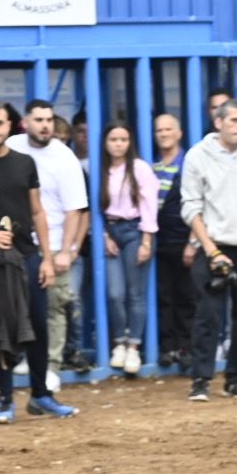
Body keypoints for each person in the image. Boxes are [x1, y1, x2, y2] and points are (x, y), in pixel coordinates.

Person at [0, 101, 77, 422]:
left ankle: (41, 396)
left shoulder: (24, 163)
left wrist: (47, 258)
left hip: (29, 256)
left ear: (10, 126)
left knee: (38, 326)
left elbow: (37, 212)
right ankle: (5, 400)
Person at [182, 100, 237, 402]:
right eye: (234, 120)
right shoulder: (198, 157)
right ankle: (200, 379)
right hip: (213, 245)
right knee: (208, 315)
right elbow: (190, 207)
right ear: (218, 122)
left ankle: (235, 378)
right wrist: (210, 249)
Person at [8, 99, 90, 387]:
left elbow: (75, 209)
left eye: (49, 120)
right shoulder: (13, 146)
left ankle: (51, 366)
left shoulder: (64, 157)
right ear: (26, 122)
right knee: (19, 305)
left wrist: (67, 251)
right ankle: (25, 359)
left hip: (54, 242)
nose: (45, 125)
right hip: (17, 243)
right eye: (39, 120)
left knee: (54, 306)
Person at [96, 121, 158, 376]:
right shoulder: (100, 169)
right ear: (105, 142)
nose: (118, 144)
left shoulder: (140, 168)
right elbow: (93, 207)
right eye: (113, 139)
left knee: (136, 293)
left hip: (135, 230)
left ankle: (133, 346)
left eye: (123, 139)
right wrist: (102, 235)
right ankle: (119, 341)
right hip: (110, 231)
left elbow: (149, 205)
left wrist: (146, 241)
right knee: (115, 294)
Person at [150, 113, 195, 370]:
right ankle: (167, 348)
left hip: (184, 240)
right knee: (164, 296)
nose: (164, 134)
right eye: (159, 130)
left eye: (169, 129)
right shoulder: (151, 167)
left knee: (187, 297)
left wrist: (192, 241)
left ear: (179, 133)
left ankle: (186, 348)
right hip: (159, 241)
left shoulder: (189, 164)